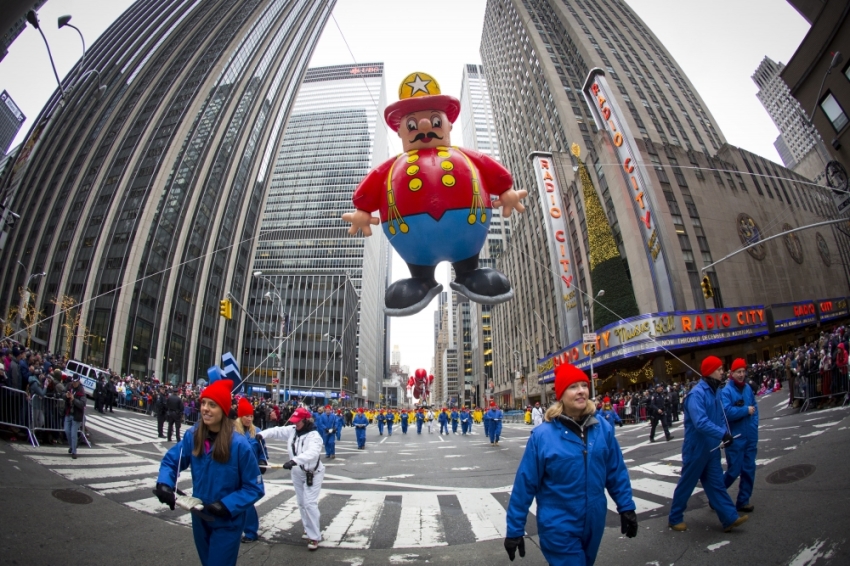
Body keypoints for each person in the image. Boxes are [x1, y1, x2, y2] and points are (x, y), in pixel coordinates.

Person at [505, 363, 637, 565]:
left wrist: (626, 507)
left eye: (584, 385)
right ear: (561, 394)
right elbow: (525, 484)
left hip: (594, 521)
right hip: (558, 525)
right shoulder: (542, 436)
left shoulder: (603, 428)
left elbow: (616, 472)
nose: (581, 391)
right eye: (573, 386)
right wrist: (515, 529)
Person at [154, 380, 265, 566]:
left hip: (227, 521)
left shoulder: (239, 445)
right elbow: (172, 460)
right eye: (203, 403)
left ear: (223, 410)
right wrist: (165, 484)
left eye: (212, 405)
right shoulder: (193, 434)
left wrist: (226, 505)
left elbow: (254, 487)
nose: (205, 408)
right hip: (199, 517)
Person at [668, 356, 749, 533]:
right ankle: (675, 518)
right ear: (710, 371)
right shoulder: (696, 395)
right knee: (687, 484)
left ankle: (729, 518)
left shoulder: (717, 391)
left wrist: (724, 435)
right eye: (719, 369)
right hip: (696, 449)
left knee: (716, 483)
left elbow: (720, 416)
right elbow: (701, 422)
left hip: (712, 448)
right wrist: (722, 433)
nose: (723, 372)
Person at [257, 407, 325, 550]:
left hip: (312, 472)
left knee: (309, 503)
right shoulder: (293, 430)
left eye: (298, 421)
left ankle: (314, 537)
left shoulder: (314, 436)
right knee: (301, 502)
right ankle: (308, 528)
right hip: (297, 472)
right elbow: (277, 431)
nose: (295, 424)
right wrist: (262, 434)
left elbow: (312, 453)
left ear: (306, 420)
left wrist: (295, 460)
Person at [720, 358, 758, 513]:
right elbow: (726, 412)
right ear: (732, 373)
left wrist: (754, 425)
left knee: (749, 469)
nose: (742, 374)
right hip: (735, 438)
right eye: (738, 372)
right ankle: (717, 495)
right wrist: (744, 411)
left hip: (750, 435)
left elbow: (754, 407)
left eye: (743, 371)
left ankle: (743, 500)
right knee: (734, 470)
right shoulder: (726, 391)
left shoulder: (748, 388)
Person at [234, 397, 267, 544]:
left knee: (247, 502)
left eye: (251, 416)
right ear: (240, 416)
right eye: (246, 416)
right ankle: (236, 527)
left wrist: (262, 461)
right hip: (235, 471)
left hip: (251, 471)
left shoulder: (257, 432)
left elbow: (263, 450)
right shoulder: (232, 431)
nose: (249, 418)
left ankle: (251, 531)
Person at [64, 376, 86, 459]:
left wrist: (74, 400)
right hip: (68, 412)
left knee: (73, 433)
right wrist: (66, 395)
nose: (74, 383)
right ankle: (72, 446)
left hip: (76, 414)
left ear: (79, 382)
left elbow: (82, 404)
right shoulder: (69, 386)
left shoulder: (81, 390)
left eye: (76, 382)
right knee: (67, 430)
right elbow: (62, 393)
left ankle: (74, 451)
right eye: (73, 381)